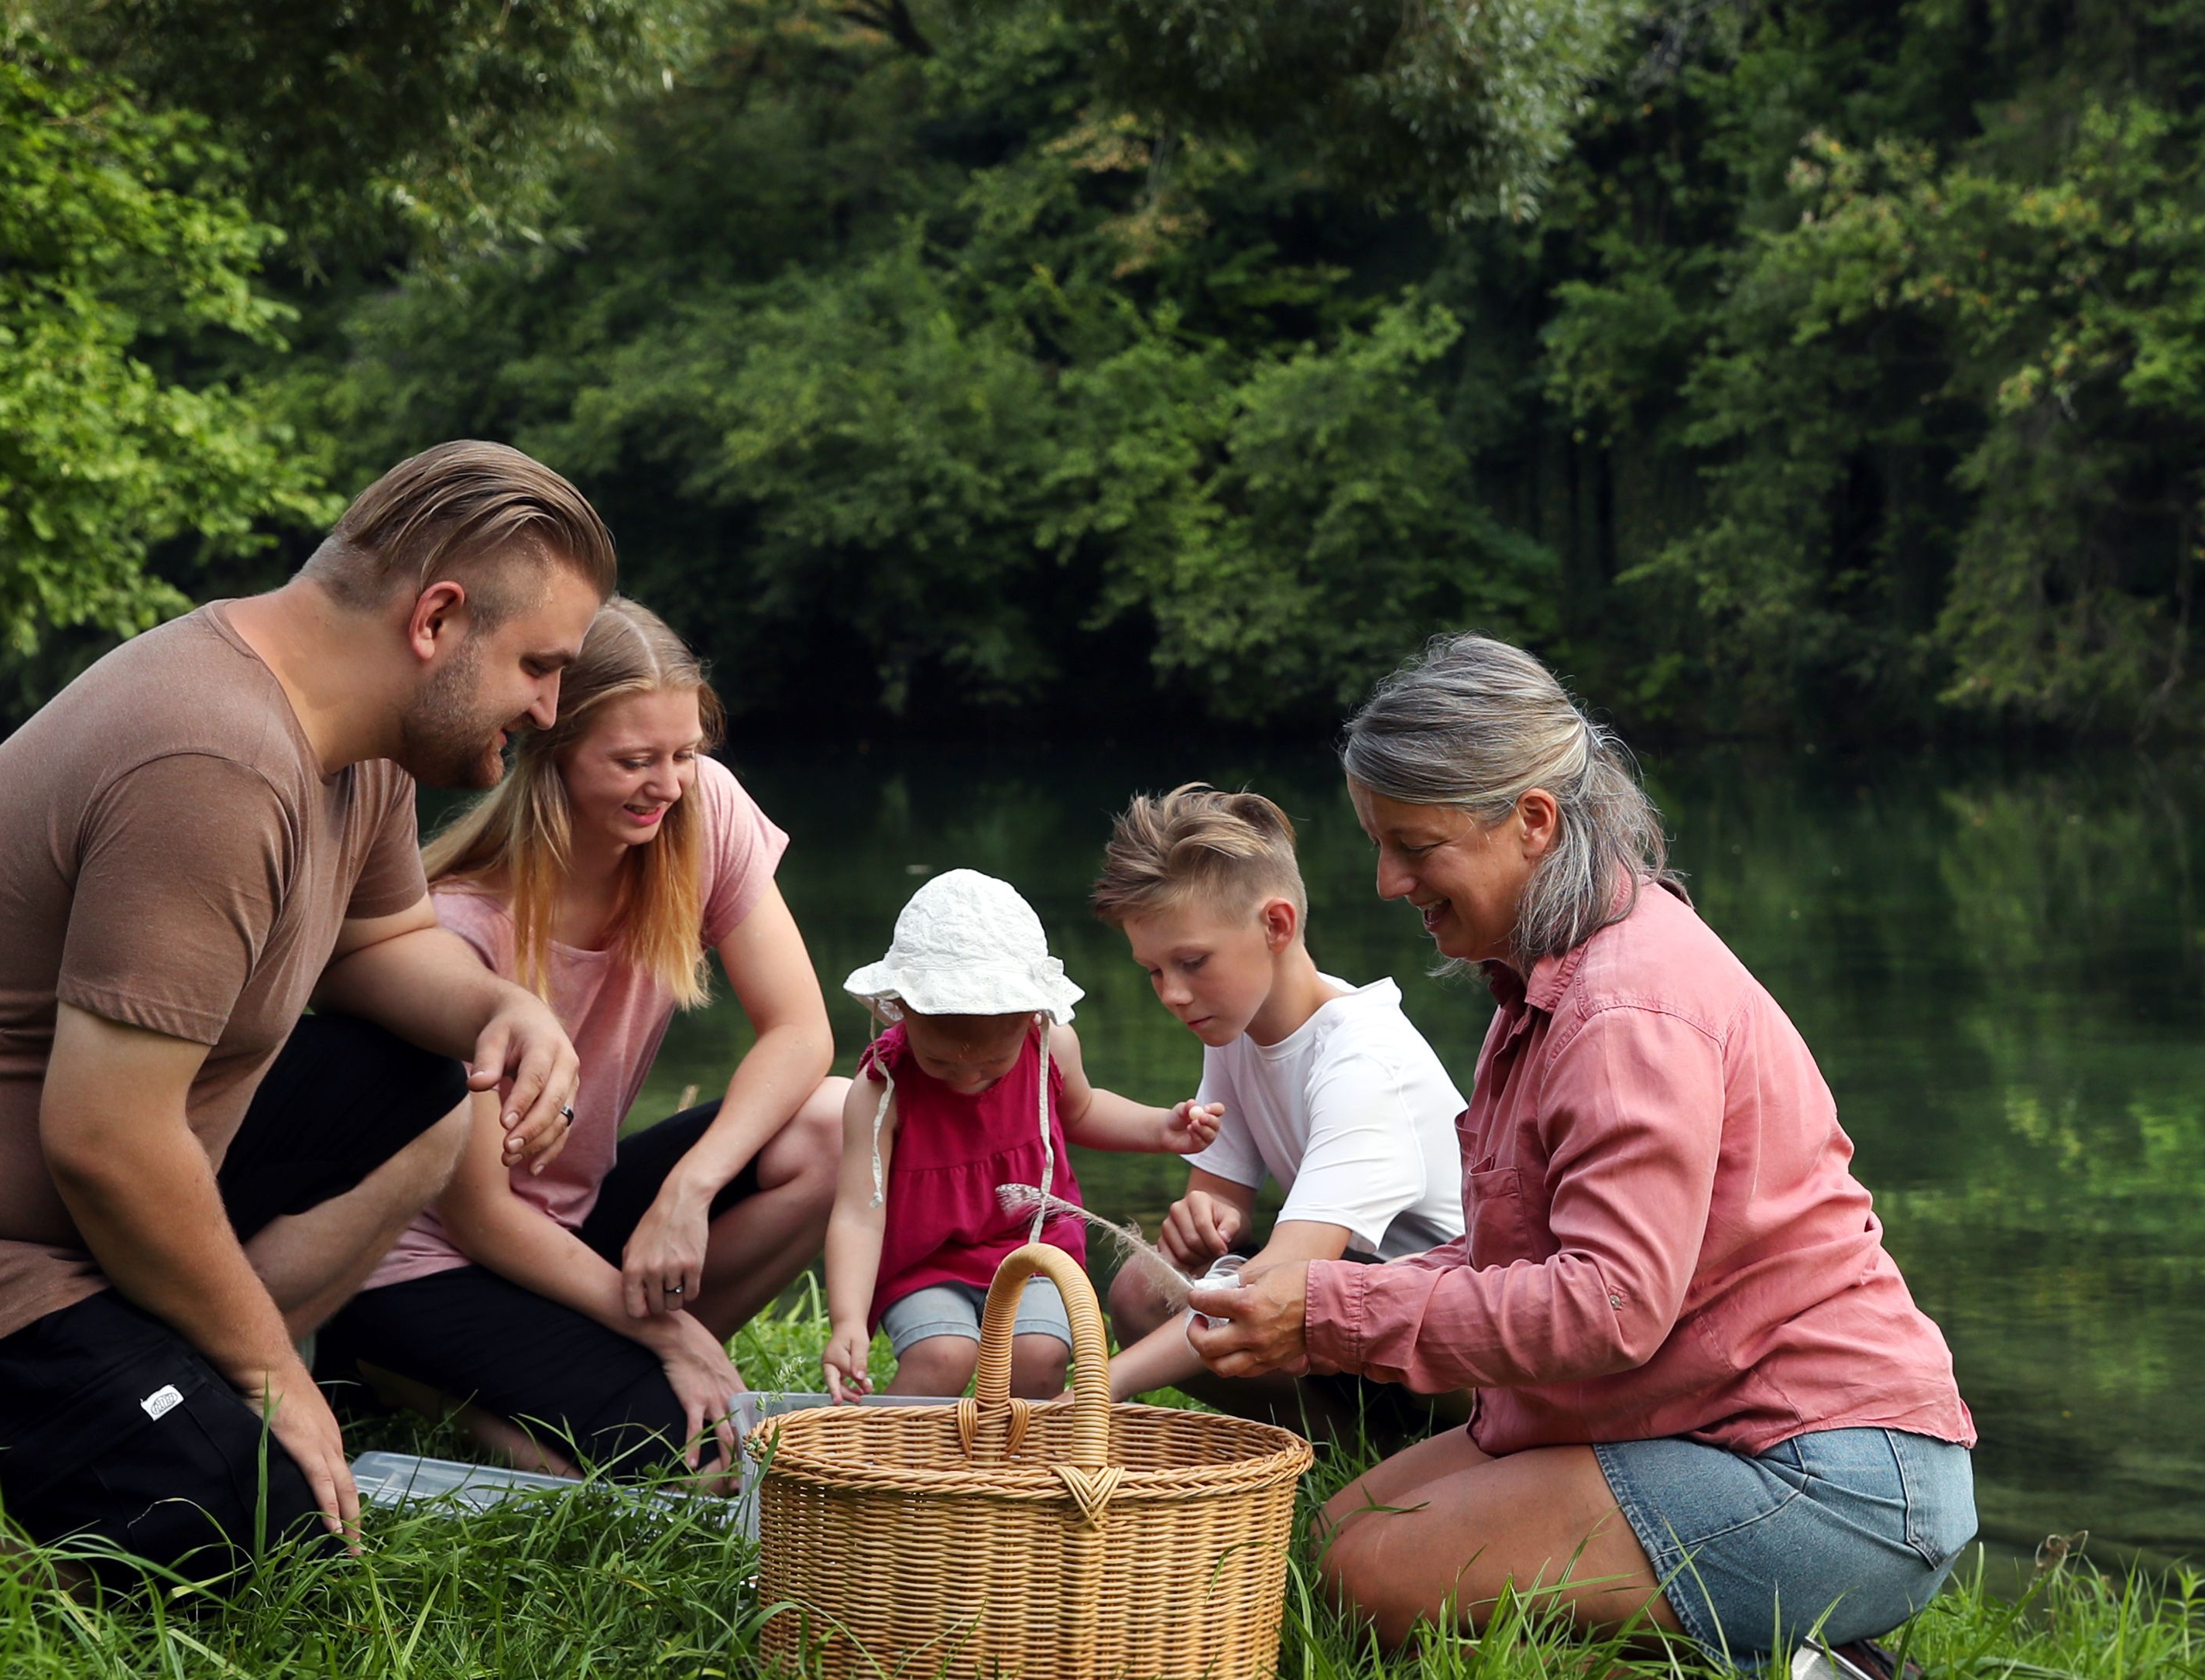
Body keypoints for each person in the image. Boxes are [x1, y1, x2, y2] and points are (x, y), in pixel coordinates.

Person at [0, 442, 605, 1572]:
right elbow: (107, 1141)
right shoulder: (217, 758)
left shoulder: (360, 737)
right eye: (539, 666)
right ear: (436, 620)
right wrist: (270, 1374)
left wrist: (501, 1011)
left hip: (56, 1211)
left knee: (421, 1089)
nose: (549, 708)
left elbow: (380, 944)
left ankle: (160, 1383)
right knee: (254, 1531)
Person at [1185, 636, 1980, 1667]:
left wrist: (1330, 1312)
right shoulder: (1545, 979)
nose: (1386, 881)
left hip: (1829, 1479)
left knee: (1367, 1573)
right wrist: (1313, 1303)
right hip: (1702, 1422)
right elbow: (1518, 1258)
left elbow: (1608, 1303)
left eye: (1414, 845)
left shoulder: (1622, 1009)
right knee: (1339, 1533)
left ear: (1532, 821)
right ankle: (1743, 1646)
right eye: (1378, 844)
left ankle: (1788, 1658)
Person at [316, 602, 844, 1480]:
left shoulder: (699, 810)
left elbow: (800, 1032)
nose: (666, 785)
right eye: (633, 761)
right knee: (690, 1469)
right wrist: (664, 1328)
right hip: (430, 1259)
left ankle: (644, 1369)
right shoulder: (456, 932)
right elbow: (481, 1217)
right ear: (551, 748)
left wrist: (688, 1189)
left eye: (683, 754)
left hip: (574, 1219)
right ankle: (403, 1374)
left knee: (836, 1120)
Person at [1082, 784, 1463, 1435]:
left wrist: (1096, 1389)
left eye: (1191, 962)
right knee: (1145, 1290)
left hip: (1458, 1351)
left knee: (1273, 1296)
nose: (1172, 994)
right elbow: (1221, 1206)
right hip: (1352, 1307)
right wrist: (1209, 1219)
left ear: (1276, 926)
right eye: (1154, 970)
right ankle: (1335, 1443)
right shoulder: (1232, 1026)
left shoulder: (1363, 1062)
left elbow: (1277, 1283)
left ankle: (1427, 1444)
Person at [817, 870, 1220, 1404]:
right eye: (940, 1061)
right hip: (927, 1263)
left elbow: (1083, 1110)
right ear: (902, 1009)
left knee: (1038, 1353)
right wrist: (847, 1319)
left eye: (991, 1064)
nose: (967, 1077)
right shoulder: (882, 1089)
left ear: (1033, 1017)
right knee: (942, 1355)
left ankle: (1018, 1453)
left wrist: (1159, 1128)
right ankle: (886, 1449)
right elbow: (857, 1215)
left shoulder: (1051, 1048)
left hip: (1032, 1245)